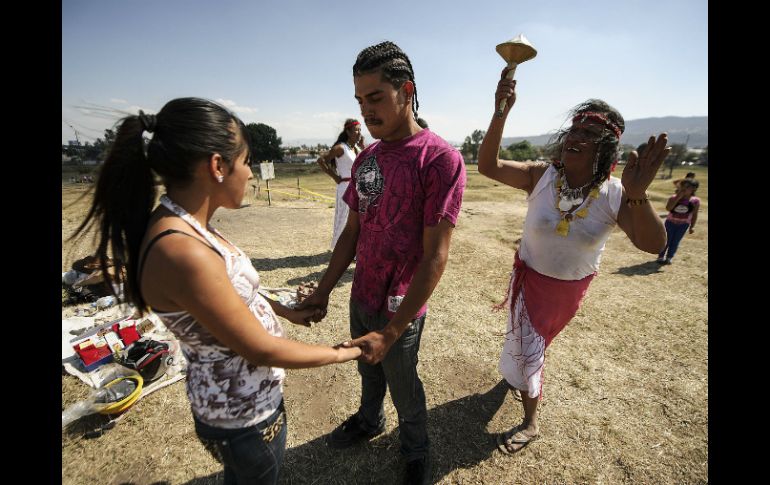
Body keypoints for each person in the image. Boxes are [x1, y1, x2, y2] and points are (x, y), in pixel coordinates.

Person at [72, 98, 361, 484]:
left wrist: (284, 310)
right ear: (217, 166)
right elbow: (259, 348)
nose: (251, 174)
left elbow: (229, 295)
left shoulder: (188, 224)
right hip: (242, 416)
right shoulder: (182, 250)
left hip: (244, 401)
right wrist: (351, 351)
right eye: (245, 162)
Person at [297, 41, 466, 485]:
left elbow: (436, 255)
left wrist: (393, 331)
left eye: (376, 98)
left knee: (403, 383)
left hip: (400, 307)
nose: (367, 111)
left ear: (406, 90)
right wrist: (322, 290)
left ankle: (416, 451)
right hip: (362, 293)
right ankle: (368, 421)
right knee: (365, 368)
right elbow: (352, 232)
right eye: (359, 100)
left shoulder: (440, 159)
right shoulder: (368, 157)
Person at [477, 69, 669, 455]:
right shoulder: (541, 176)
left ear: (607, 150)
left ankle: (530, 421)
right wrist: (501, 111)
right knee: (527, 343)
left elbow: (653, 245)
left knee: (532, 344)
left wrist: (638, 194)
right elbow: (488, 166)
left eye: (589, 135)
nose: (576, 138)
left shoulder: (616, 195)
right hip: (529, 277)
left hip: (566, 291)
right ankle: (523, 393)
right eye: (574, 130)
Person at [316, 119, 365, 249]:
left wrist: (362, 145)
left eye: (360, 130)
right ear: (348, 132)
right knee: (344, 218)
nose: (359, 132)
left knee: (357, 219)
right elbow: (321, 160)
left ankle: (353, 248)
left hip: (358, 188)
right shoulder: (340, 148)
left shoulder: (357, 148)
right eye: (356, 130)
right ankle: (341, 247)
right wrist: (335, 177)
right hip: (345, 186)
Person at [657, 178, 700, 264]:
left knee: (675, 241)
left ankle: (669, 257)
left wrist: (692, 226)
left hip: (683, 224)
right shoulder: (673, 198)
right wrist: (678, 198)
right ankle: (661, 256)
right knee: (666, 240)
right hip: (670, 223)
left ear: (693, 189)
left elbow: (694, 214)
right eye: (682, 186)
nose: (684, 188)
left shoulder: (695, 201)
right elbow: (668, 208)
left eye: (687, 187)